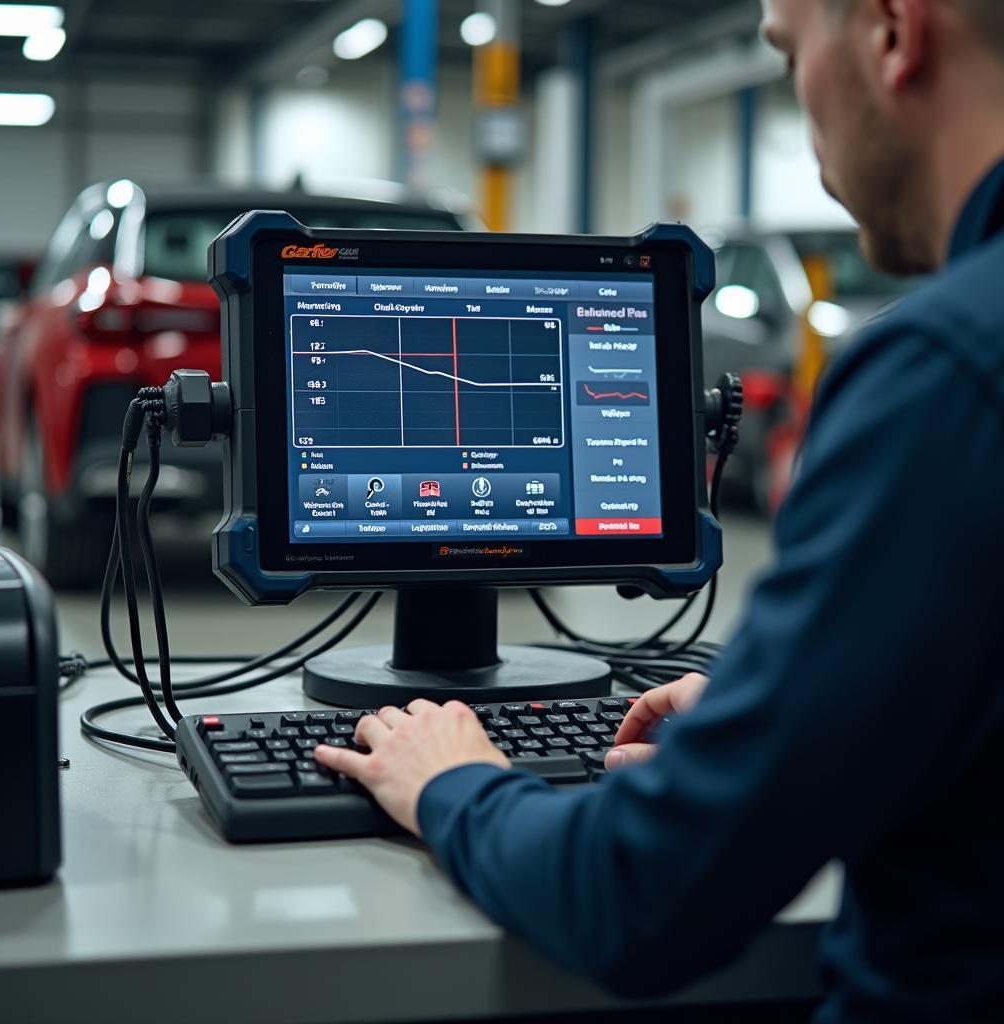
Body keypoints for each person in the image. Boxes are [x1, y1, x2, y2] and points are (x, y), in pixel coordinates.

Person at [316, 0, 1004, 1018]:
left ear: (892, 35)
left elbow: (636, 897)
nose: (800, 98)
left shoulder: (945, 371)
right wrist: (774, 717)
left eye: (786, 52)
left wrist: (454, 781)